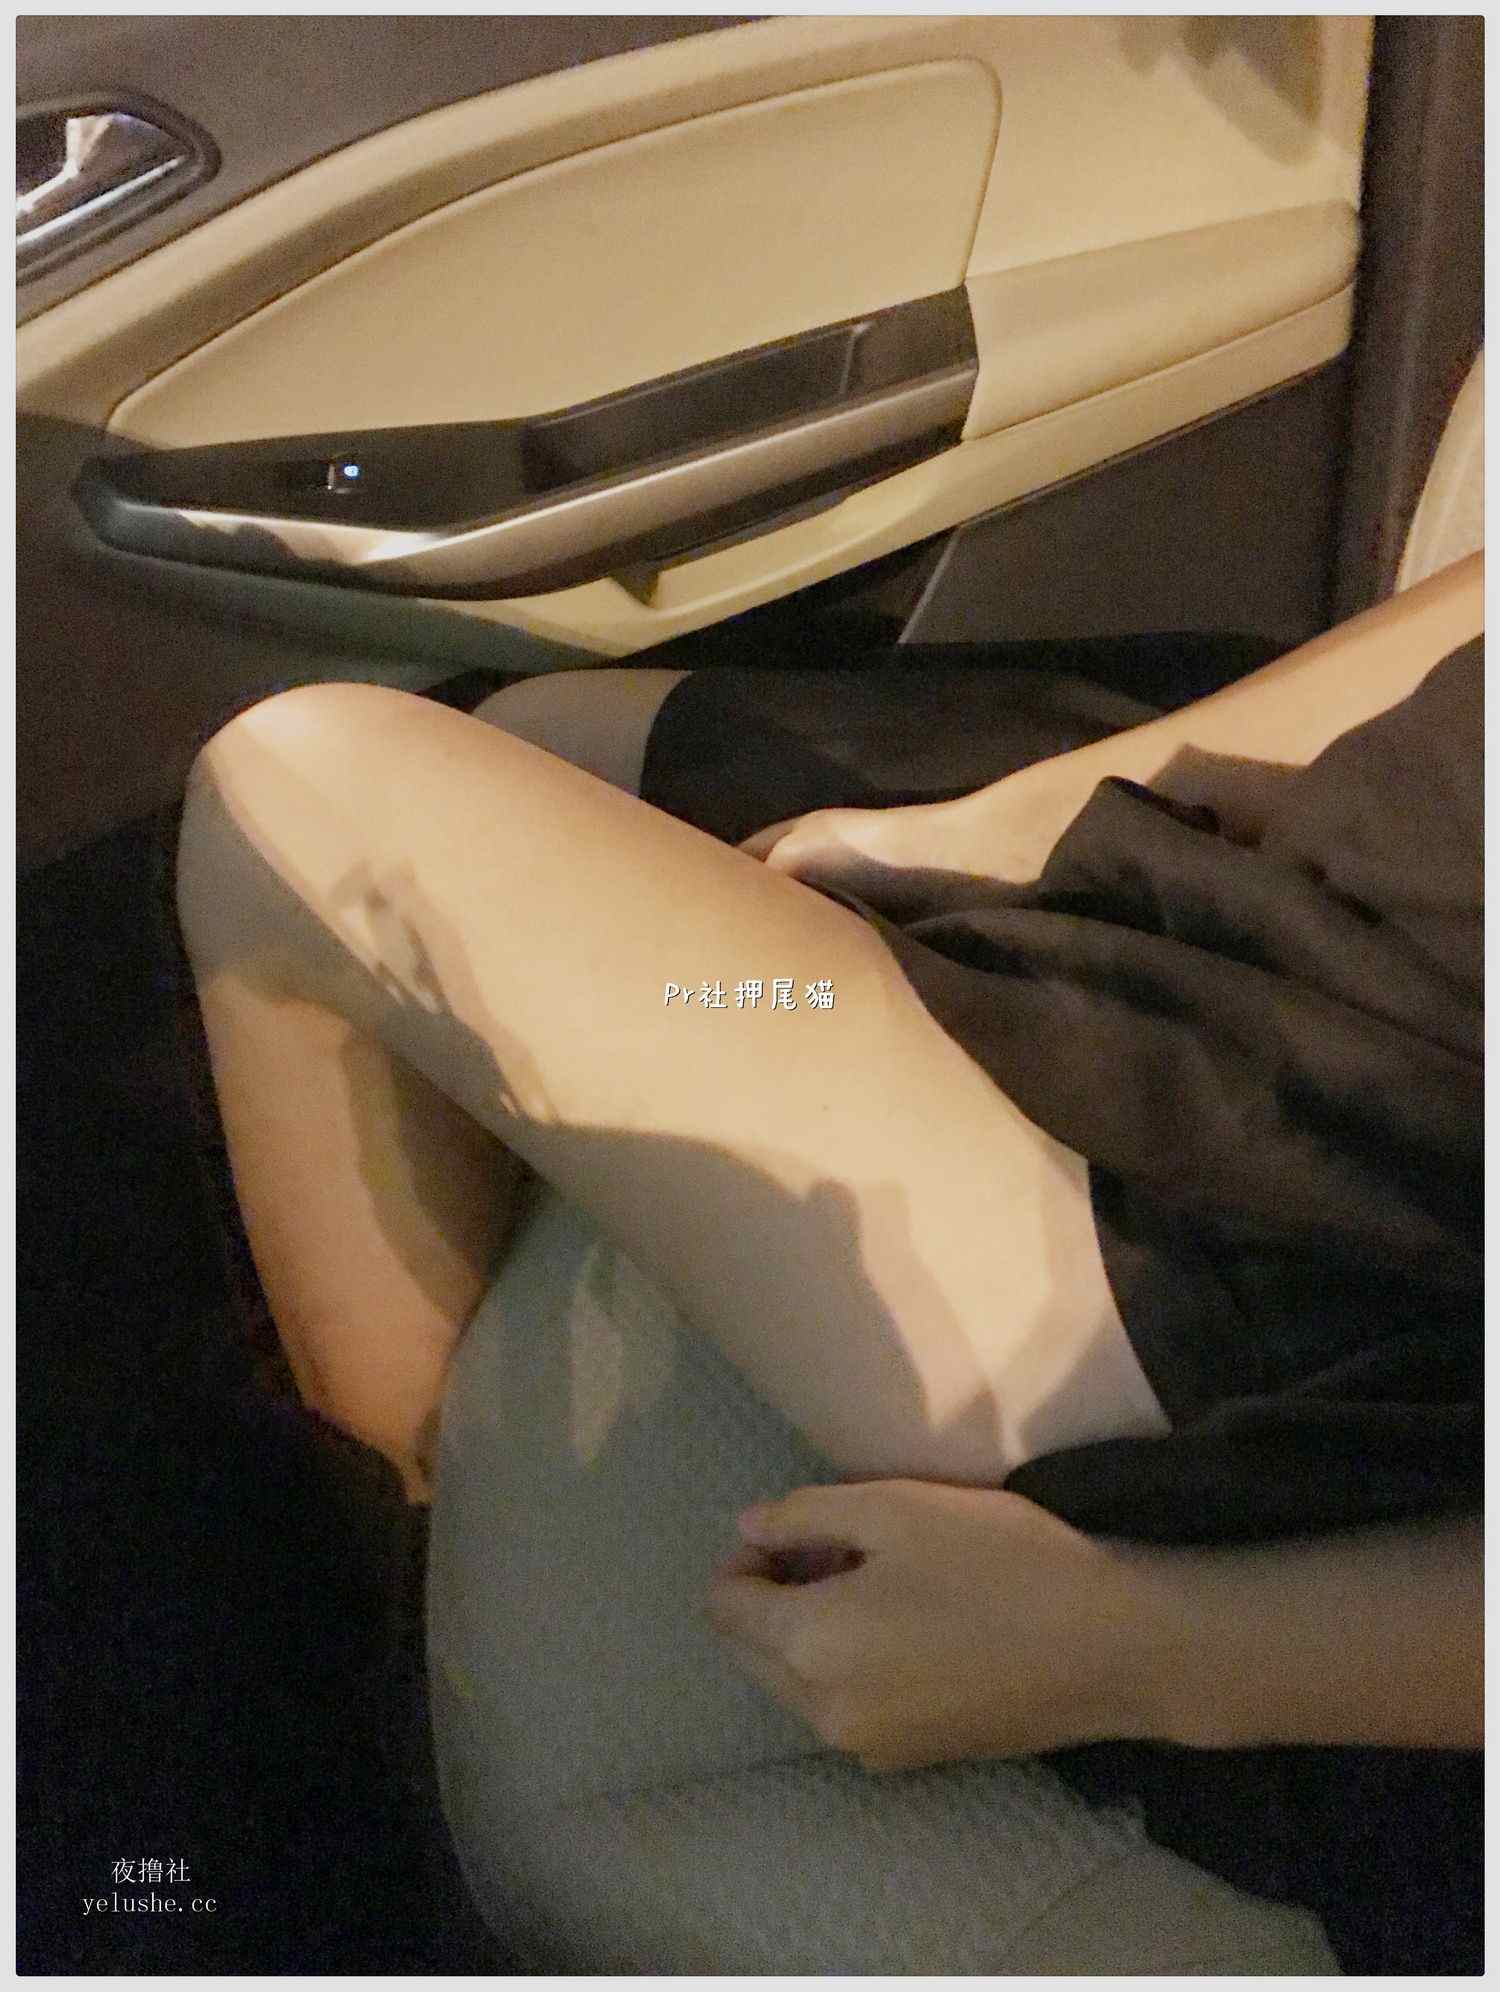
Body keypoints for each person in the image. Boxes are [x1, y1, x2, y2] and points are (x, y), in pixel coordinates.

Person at [174, 553, 1481, 1954]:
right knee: (547, 738)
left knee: (294, 796)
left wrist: (1138, 1642)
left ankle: (401, 1552)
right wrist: (1012, 821)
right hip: (1323, 879)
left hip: (1336, 1206)